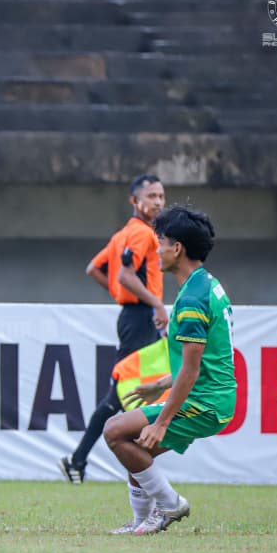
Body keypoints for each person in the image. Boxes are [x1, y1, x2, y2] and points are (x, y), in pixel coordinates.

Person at [103, 204, 236, 535]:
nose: (157, 250)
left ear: (177, 249)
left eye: (160, 242)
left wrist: (161, 423)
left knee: (114, 431)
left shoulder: (192, 299)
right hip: (207, 396)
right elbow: (198, 363)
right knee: (131, 442)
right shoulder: (204, 285)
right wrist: (159, 384)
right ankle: (142, 519)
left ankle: (169, 504)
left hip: (205, 402)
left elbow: (191, 371)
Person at [59, 174, 168, 484]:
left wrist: (127, 295)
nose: (158, 202)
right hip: (140, 317)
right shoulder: (142, 235)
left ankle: (79, 460)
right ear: (135, 201)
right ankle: (81, 460)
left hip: (133, 314)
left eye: (161, 196)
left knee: (128, 391)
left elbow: (95, 268)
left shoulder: (122, 234)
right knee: (127, 391)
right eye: (151, 196)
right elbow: (125, 276)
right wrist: (155, 304)